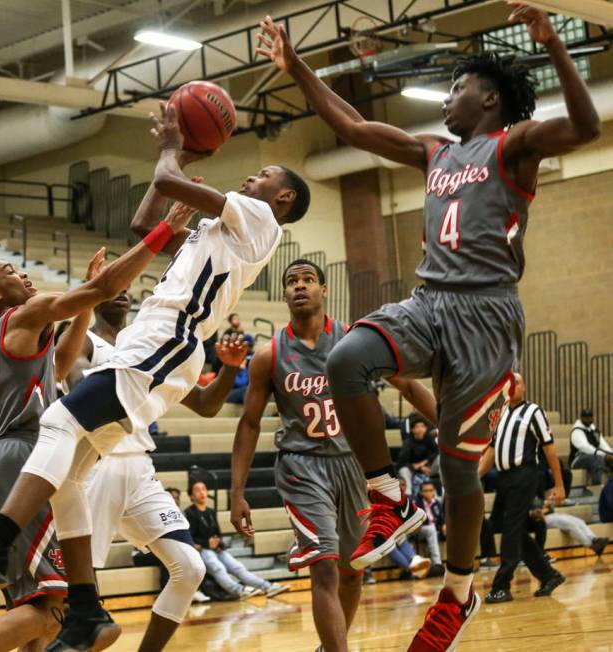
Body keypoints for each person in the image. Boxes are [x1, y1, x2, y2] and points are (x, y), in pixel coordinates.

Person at [256, 4, 600, 647]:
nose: (446, 99)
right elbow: (353, 124)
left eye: (457, 89)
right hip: (428, 299)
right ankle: (389, 495)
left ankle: (457, 592)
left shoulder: (514, 145)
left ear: (489, 97)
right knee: (346, 359)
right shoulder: (433, 152)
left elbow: (584, 125)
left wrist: (554, 46)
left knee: (460, 469)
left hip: (486, 315)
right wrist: (296, 66)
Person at [0, 102, 310, 651]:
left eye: (263, 174)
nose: (250, 176)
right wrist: (172, 167)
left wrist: (173, 145)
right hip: (152, 345)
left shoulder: (259, 220)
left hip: (167, 342)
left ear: (282, 198)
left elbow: (168, 179)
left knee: (57, 423)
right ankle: (87, 611)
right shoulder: (219, 229)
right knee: (68, 475)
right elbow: (147, 222)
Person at [0, 200, 192, 652]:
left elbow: (59, 365)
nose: (21, 273)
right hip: (23, 459)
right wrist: (160, 234)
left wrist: (83, 304)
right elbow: (107, 287)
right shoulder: (26, 313)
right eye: (7, 271)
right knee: (60, 607)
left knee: (39, 610)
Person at [230, 259, 438, 652]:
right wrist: (236, 492)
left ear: (323, 290)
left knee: (353, 570)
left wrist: (450, 427)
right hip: (300, 467)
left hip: (353, 464)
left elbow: (409, 387)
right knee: (323, 567)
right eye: (292, 281)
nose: (299, 286)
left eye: (308, 279)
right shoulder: (268, 354)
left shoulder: (353, 340)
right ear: (286, 293)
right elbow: (250, 424)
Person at [61, 289, 250, 651]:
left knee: (190, 568)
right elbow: (79, 387)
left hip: (138, 467)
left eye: (128, 289)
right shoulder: (83, 337)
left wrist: (230, 368)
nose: (124, 293)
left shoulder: (146, 346)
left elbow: (207, 405)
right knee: (76, 588)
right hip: (96, 465)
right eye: (116, 286)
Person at [479, 373, 566, 603]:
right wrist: (474, 475)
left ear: (524, 386)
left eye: (516, 382)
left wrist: (559, 484)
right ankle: (548, 575)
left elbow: (550, 449)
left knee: (510, 530)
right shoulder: (502, 413)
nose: (512, 387)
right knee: (503, 525)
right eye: (508, 384)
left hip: (525, 475)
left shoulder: (534, 411)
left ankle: (502, 586)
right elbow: (491, 449)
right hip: (504, 477)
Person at [187, 480, 288, 600]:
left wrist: (219, 543)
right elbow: (189, 537)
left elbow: (217, 533)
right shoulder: (189, 513)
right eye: (197, 490)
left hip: (216, 549)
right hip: (202, 550)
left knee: (238, 567)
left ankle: (268, 586)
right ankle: (239, 590)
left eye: (203, 489)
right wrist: (206, 543)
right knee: (218, 567)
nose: (201, 492)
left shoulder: (210, 511)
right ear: (191, 495)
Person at [529, 503, 609, 557]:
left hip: (550, 515)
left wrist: (548, 505)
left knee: (579, 521)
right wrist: (543, 511)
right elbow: (533, 514)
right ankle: (592, 546)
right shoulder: (527, 499)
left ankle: (595, 539)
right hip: (540, 521)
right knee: (570, 525)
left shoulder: (536, 496)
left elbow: (549, 509)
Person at [397, 416, 439, 497]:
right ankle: (408, 494)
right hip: (412, 469)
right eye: (417, 427)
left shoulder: (428, 438)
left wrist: (424, 463)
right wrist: (418, 467)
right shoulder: (408, 442)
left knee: (440, 459)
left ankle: (444, 486)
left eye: (422, 426)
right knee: (403, 470)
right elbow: (402, 462)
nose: (420, 429)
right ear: (413, 430)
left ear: (426, 428)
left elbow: (436, 452)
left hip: (428, 468)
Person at [569, 408, 613, 485]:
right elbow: (586, 448)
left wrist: (611, 453)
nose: (588, 419)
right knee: (596, 458)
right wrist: (605, 455)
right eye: (586, 417)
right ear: (581, 418)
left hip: (595, 455)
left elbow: (603, 445)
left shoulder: (594, 430)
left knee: (607, 458)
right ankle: (597, 485)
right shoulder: (576, 431)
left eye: (590, 417)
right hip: (578, 459)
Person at [414, 481, 444, 567]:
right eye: (426, 491)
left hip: (436, 530)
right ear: (421, 492)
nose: (429, 493)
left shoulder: (437, 503)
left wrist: (443, 527)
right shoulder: (417, 504)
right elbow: (417, 524)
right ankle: (437, 563)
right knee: (431, 529)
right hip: (421, 531)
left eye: (431, 490)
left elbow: (441, 520)